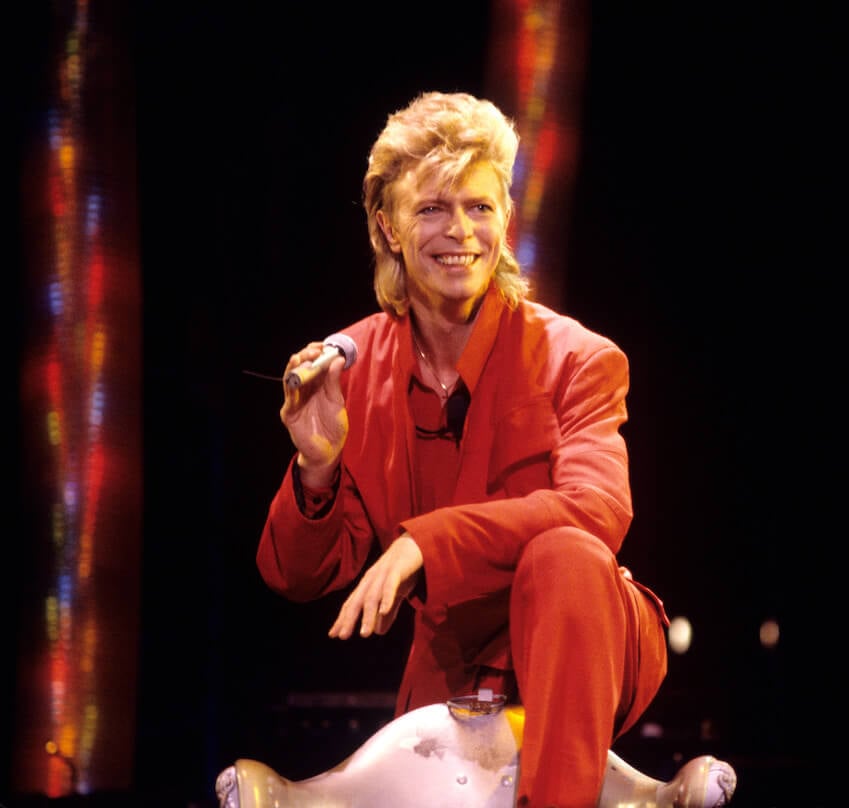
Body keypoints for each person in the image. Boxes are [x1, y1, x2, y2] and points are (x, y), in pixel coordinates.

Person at [256, 90, 670, 808]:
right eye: (432, 209)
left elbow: (597, 510)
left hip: (589, 632)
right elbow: (295, 576)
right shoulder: (352, 368)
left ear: (506, 220)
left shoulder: (580, 356)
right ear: (386, 228)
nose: (461, 231)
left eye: (479, 207)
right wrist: (315, 468)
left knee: (565, 552)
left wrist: (424, 544)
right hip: (454, 660)